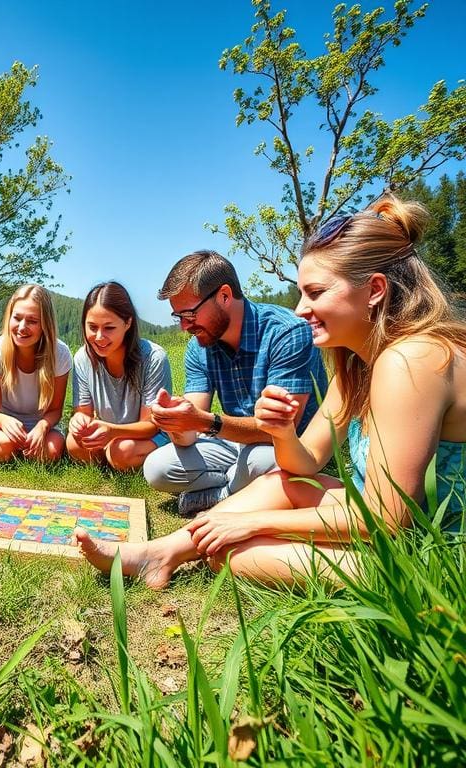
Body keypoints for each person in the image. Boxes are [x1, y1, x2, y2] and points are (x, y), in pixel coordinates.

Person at [78, 195, 466, 588]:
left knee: (228, 548)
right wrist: (280, 432)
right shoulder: (356, 366)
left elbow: (387, 516)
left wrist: (250, 522)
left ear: (375, 289)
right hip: (388, 520)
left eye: (315, 292)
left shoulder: (410, 361)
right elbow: (307, 461)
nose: (301, 309)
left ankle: (208, 522)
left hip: (434, 553)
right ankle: (159, 553)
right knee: (273, 482)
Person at [143, 250, 327, 516]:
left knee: (260, 461)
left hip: (288, 447)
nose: (184, 326)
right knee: (157, 468)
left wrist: (206, 422)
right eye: (178, 317)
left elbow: (280, 429)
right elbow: (190, 434)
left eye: (189, 314)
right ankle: (236, 486)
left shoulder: (287, 332)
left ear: (225, 296)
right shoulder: (199, 347)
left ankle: (223, 496)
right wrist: (177, 421)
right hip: (234, 442)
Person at [66, 282, 172, 471]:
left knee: (122, 452)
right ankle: (111, 457)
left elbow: (150, 426)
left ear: (128, 323)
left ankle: (122, 458)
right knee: (74, 444)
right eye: (92, 327)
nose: (99, 337)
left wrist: (112, 431)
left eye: (109, 328)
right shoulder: (82, 357)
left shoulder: (154, 358)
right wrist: (78, 421)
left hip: (149, 435)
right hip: (110, 433)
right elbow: (83, 413)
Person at [0, 284, 72, 462]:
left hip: (43, 426)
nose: (22, 327)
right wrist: (3, 422)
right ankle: (19, 451)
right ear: (9, 318)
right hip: (4, 427)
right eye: (17, 318)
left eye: (32, 321)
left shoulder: (60, 353)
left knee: (51, 451)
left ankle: (26, 451)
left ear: (45, 324)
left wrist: (42, 427)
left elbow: (55, 410)